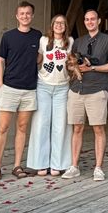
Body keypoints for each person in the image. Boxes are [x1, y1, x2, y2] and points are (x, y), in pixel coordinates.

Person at [62, 9, 108, 182]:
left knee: (98, 129)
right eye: (87, 19)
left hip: (96, 89)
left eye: (93, 19)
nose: (90, 22)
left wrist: (92, 67)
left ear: (99, 21)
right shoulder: (78, 42)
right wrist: (75, 67)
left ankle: (98, 168)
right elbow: (70, 64)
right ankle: (74, 166)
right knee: (77, 128)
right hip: (77, 90)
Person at [0, 1, 42, 180]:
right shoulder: (8, 36)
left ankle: (17, 165)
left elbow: (40, 58)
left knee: (22, 128)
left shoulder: (38, 36)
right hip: (10, 88)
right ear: (17, 16)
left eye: (28, 13)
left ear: (32, 16)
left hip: (29, 90)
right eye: (22, 13)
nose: (25, 16)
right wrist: (0, 85)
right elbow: (0, 61)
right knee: (3, 127)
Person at [26, 14, 74, 176]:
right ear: (52, 25)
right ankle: (40, 163)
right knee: (41, 124)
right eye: (56, 23)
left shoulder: (70, 42)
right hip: (44, 86)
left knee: (61, 125)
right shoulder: (43, 40)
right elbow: (38, 58)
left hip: (62, 88)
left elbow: (73, 62)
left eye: (62, 23)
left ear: (66, 26)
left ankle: (58, 164)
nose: (59, 25)